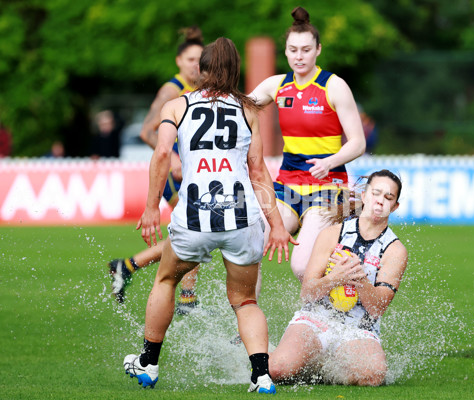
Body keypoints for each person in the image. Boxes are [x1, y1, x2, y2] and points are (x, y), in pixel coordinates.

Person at [122, 37, 296, 393]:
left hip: (193, 218)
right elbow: (259, 171)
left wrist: (152, 206)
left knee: (167, 280)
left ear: (200, 70)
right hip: (242, 219)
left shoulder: (177, 106)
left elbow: (161, 154)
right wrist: (276, 225)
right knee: (245, 300)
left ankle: (149, 364)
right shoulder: (248, 110)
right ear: (236, 72)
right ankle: (261, 375)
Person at [250, 7, 366, 282]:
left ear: (318, 50)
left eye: (305, 50)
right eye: (293, 50)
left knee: (302, 267)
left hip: (328, 187)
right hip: (287, 186)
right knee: (250, 249)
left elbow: (358, 143)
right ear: (286, 52)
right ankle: (247, 319)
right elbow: (238, 110)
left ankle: (325, 316)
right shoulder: (275, 85)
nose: (299, 56)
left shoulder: (334, 86)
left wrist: (329, 162)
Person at [268, 169, 408, 386]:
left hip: (359, 328)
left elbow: (377, 308)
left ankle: (328, 360)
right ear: (364, 196)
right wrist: (335, 278)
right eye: (376, 193)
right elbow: (307, 292)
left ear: (395, 206)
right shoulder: (333, 232)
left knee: (372, 376)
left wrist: (360, 279)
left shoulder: (395, 250)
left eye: (388, 198)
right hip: (316, 318)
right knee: (278, 370)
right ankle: (300, 353)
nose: (380, 201)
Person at [108, 26, 204, 312]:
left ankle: (127, 266)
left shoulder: (199, 89)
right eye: (190, 60)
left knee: (194, 231)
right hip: (173, 174)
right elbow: (148, 131)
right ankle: (186, 299)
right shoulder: (172, 89)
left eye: (200, 59)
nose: (196, 65)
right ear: (178, 62)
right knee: (195, 230)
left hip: (191, 172)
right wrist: (173, 157)